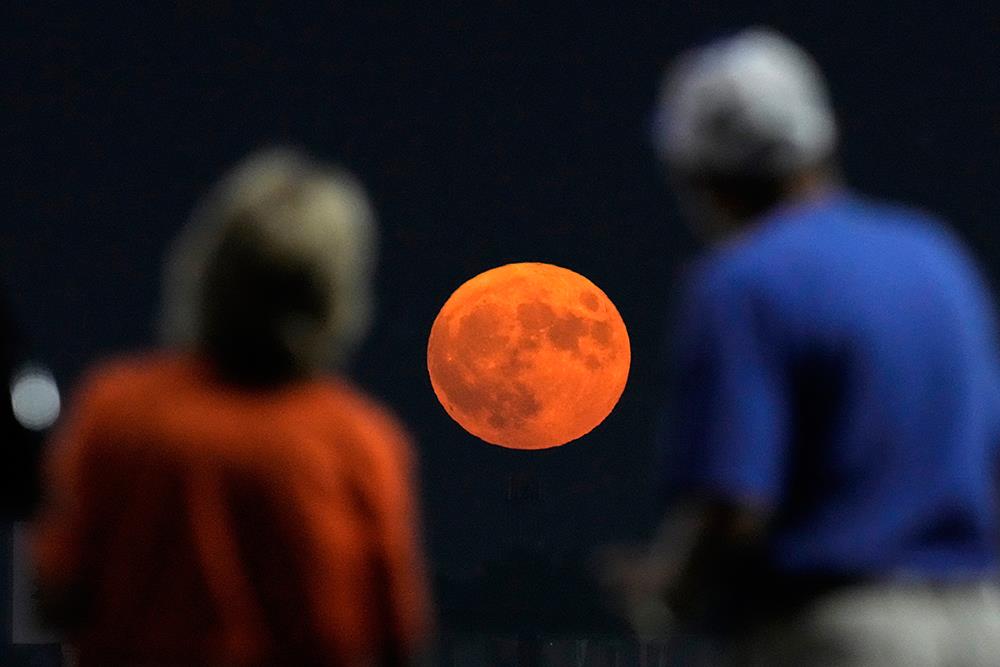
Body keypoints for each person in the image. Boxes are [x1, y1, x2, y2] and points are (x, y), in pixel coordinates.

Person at [605, 28, 1000, 666]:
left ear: (698, 175)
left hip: (843, 630)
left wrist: (669, 591)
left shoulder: (740, 281)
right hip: (980, 620)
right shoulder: (935, 254)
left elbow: (734, 501)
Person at [31, 148, 433, 666]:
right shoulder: (360, 443)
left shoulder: (116, 411)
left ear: (208, 270)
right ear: (333, 295)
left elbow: (57, 587)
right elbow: (392, 632)